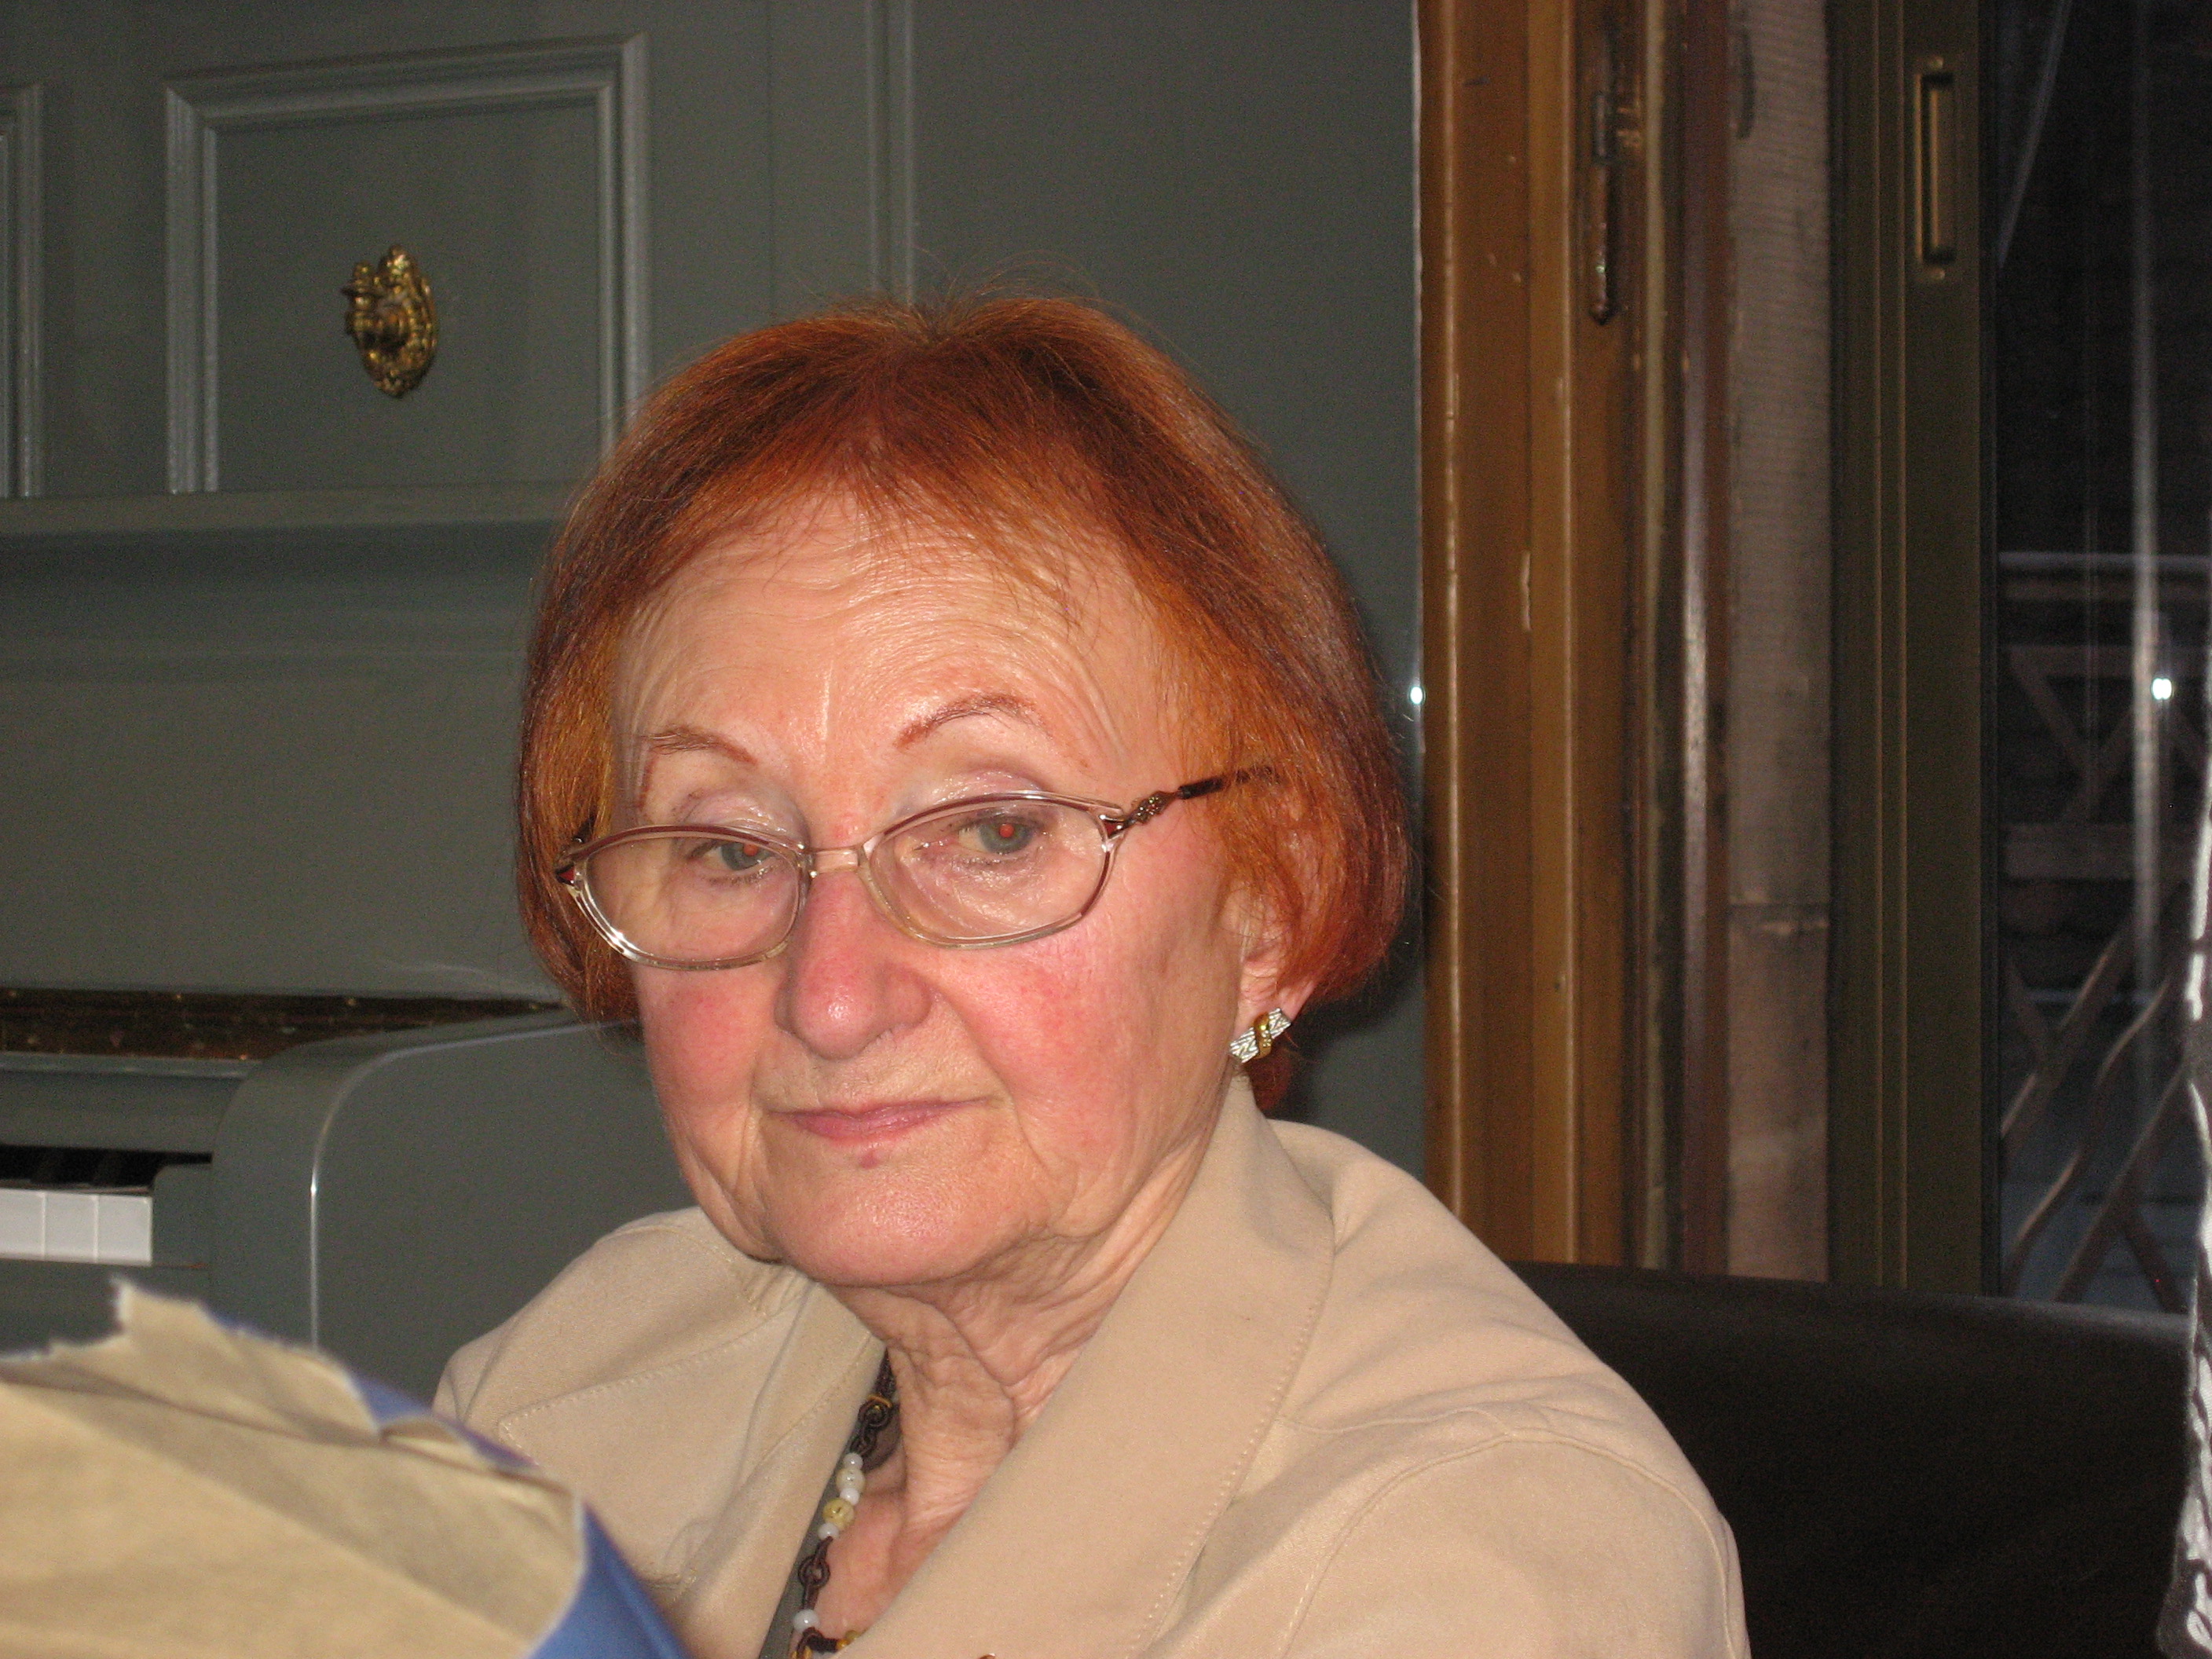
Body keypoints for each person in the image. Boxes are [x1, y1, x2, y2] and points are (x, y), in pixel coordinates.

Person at [438, 296, 1748, 1659]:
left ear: (1271, 902)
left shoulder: (1489, 1567)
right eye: (727, 848)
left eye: (993, 834)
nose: (829, 997)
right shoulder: (565, 1396)